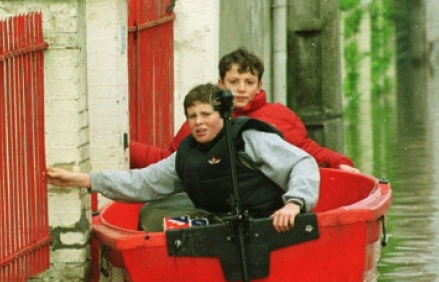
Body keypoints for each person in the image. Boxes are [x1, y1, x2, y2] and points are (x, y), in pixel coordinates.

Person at [44, 82, 319, 232]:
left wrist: (294, 204)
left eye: (206, 115)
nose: (198, 123)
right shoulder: (185, 153)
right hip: (221, 224)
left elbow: (302, 163)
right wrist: (83, 180)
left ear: (221, 115)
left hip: (271, 223)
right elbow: (143, 182)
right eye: (192, 116)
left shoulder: (249, 138)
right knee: (151, 214)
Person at [130, 47, 360, 173]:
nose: (241, 89)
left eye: (248, 82)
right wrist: (126, 149)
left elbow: (309, 151)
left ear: (259, 86)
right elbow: (170, 161)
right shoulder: (205, 118)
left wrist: (341, 162)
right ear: (221, 83)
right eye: (234, 81)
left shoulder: (279, 115)